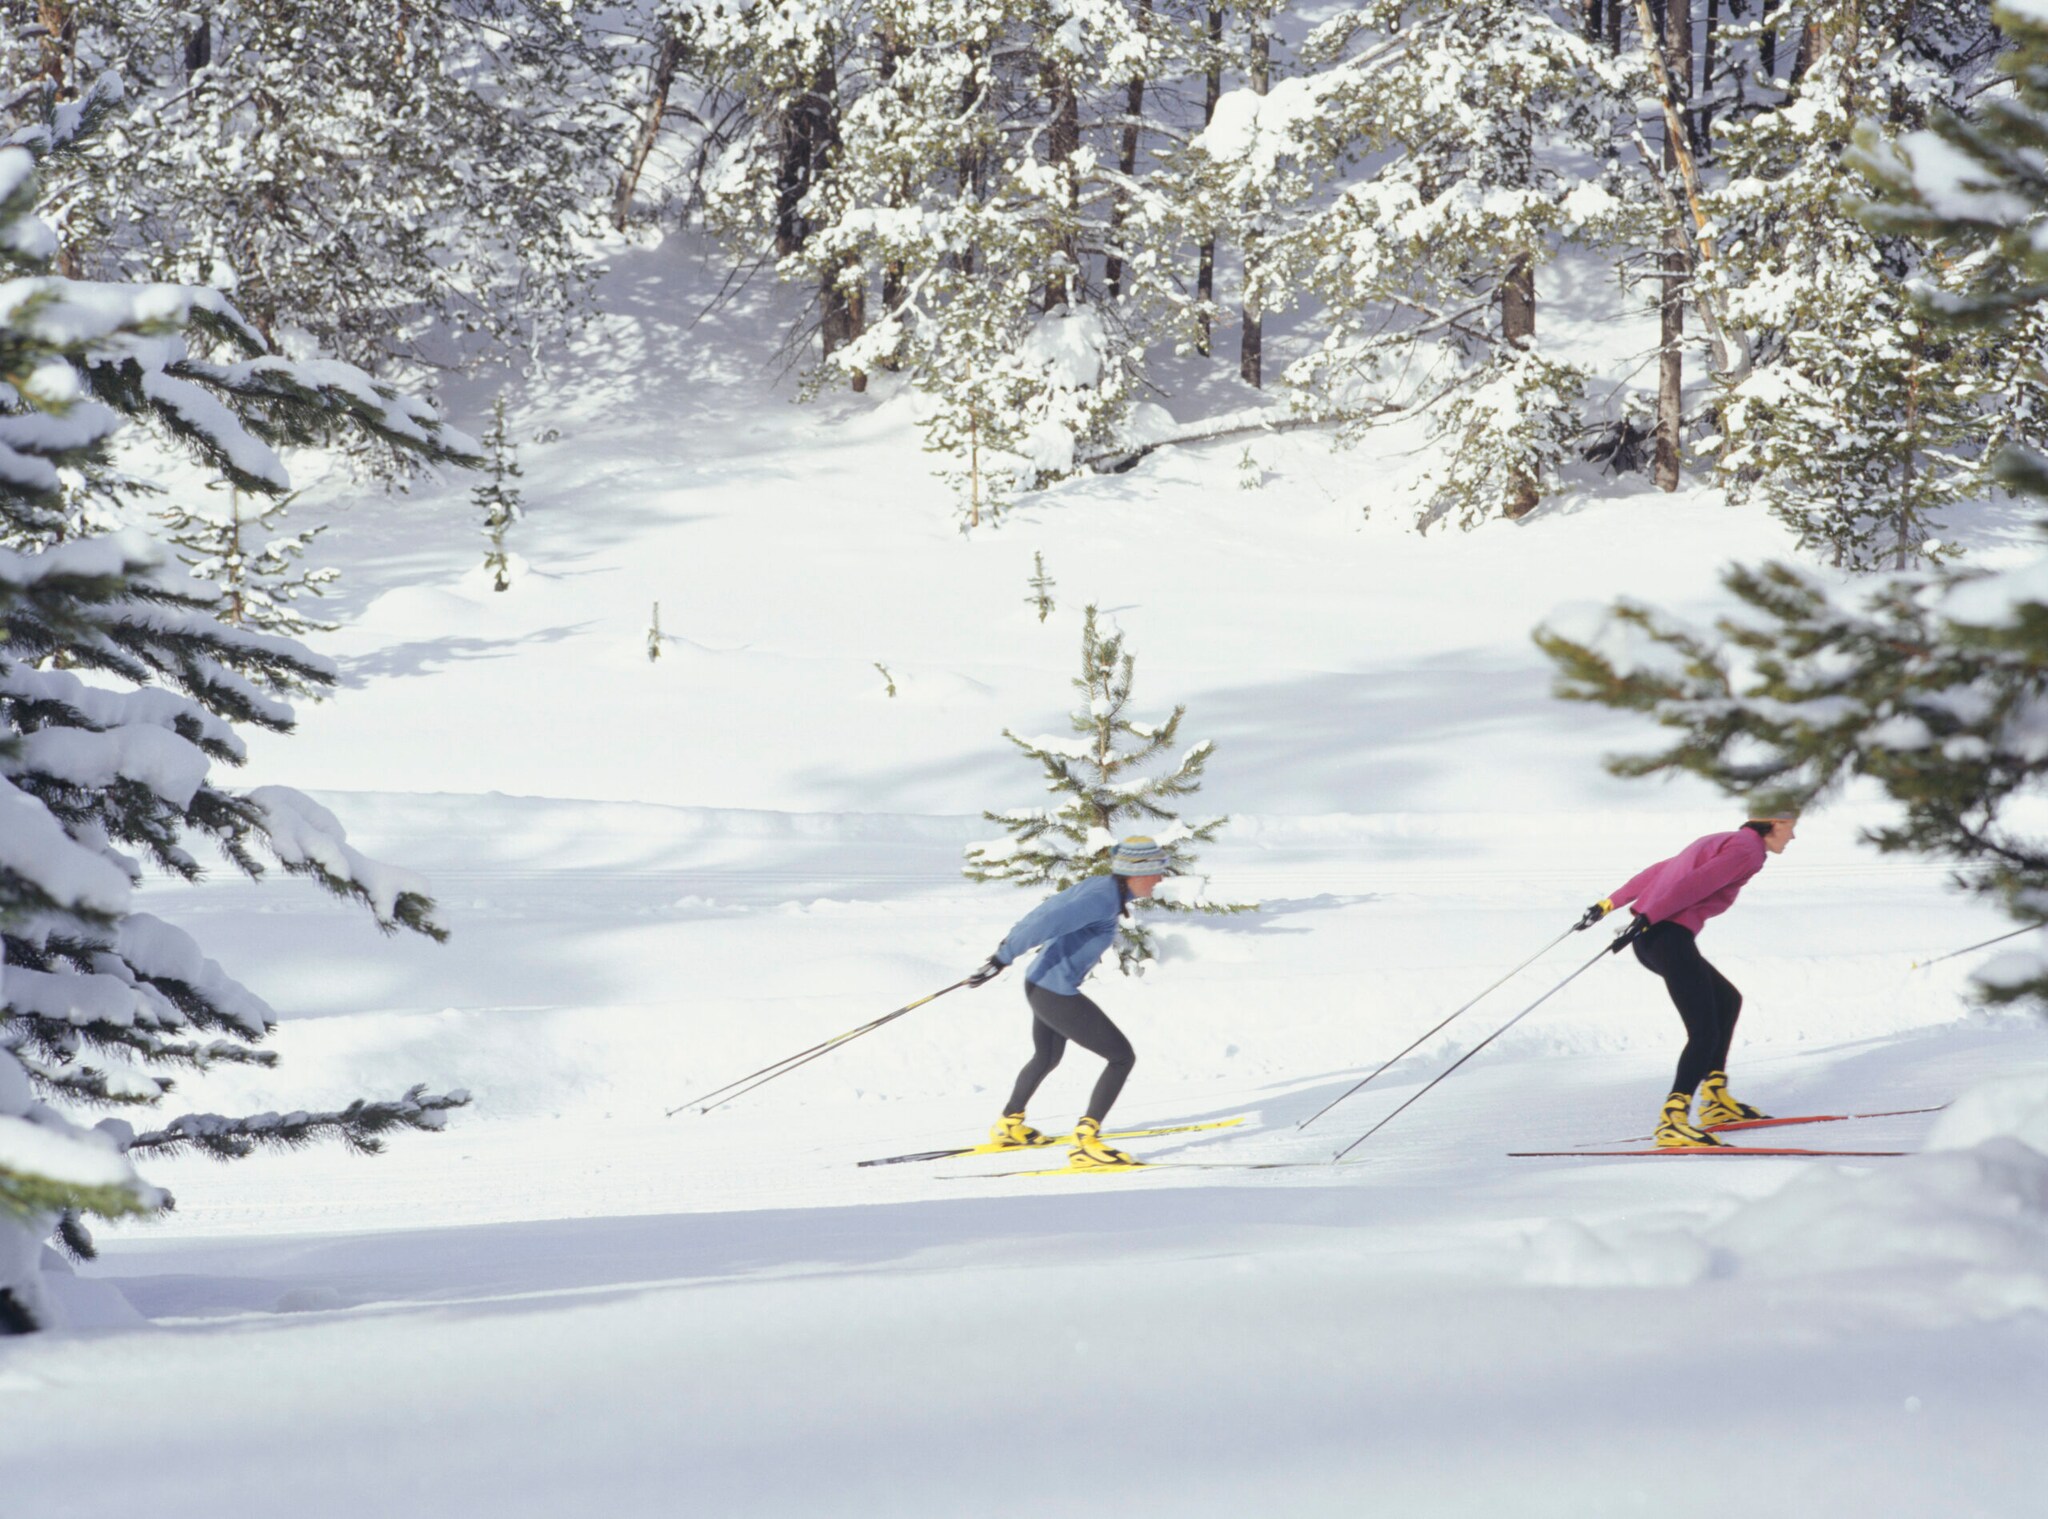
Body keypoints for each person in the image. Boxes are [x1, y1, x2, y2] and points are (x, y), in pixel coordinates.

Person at [1580, 816, 1797, 1148]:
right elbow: (1699, 882)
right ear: (1773, 824)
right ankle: (1673, 1120)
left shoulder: (1723, 839)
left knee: (1727, 1001)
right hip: (1666, 936)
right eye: (1790, 826)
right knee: (1704, 1031)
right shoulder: (1748, 850)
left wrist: (1609, 904)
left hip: (1657, 936)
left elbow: (1662, 871)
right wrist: (1649, 915)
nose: (1793, 835)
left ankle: (1716, 1099)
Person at [964, 836, 1171, 1169]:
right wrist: (1003, 956)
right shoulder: (1102, 899)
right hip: (1054, 993)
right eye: (1158, 870)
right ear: (1138, 871)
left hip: (1040, 983)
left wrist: (1004, 951)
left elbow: (1045, 910)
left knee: (1046, 1056)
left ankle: (1008, 1124)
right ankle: (1085, 1143)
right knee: (1121, 1057)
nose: (1161, 878)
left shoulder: (1103, 888)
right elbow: (1047, 920)